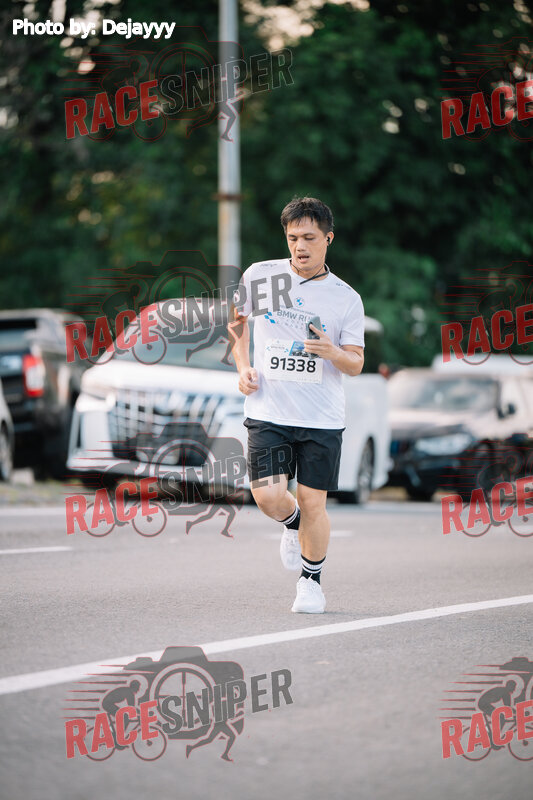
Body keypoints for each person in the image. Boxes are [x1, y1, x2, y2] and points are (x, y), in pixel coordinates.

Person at [229, 196, 365, 613]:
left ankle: (311, 583)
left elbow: (356, 363)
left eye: (308, 237)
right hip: (268, 410)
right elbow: (237, 322)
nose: (299, 246)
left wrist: (332, 352)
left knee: (313, 502)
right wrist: (243, 367)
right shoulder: (261, 275)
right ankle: (292, 526)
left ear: (328, 238)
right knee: (269, 497)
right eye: (292, 238)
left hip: (320, 417)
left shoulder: (345, 298)